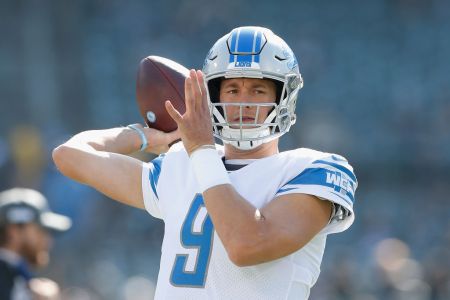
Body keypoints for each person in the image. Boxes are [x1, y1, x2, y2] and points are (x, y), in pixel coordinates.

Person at [52, 26, 357, 299]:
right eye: (232, 89)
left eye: (258, 89)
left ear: (283, 98)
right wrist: (142, 137)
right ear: (211, 95)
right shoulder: (179, 165)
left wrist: (200, 149)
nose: (244, 102)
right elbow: (69, 156)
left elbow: (245, 244)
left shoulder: (312, 169)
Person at [0, 187, 72, 300]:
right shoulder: (5, 278)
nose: (48, 240)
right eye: (40, 231)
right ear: (14, 231)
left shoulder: (16, 277)